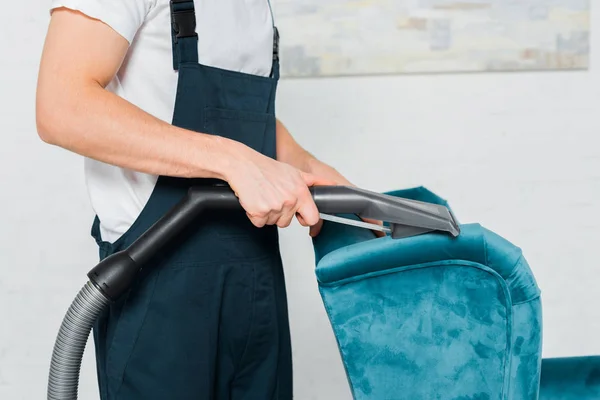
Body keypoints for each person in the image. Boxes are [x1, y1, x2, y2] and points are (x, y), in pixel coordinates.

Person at [36, 1, 379, 399]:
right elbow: (61, 106)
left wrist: (311, 169)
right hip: (158, 286)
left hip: (256, 284)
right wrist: (231, 161)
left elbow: (243, 116)